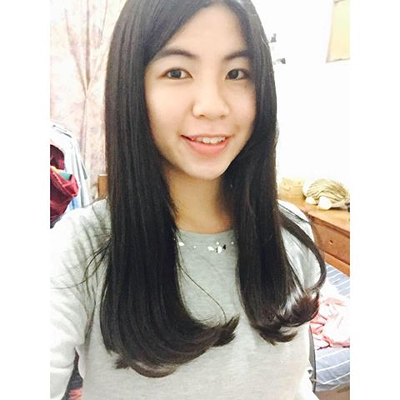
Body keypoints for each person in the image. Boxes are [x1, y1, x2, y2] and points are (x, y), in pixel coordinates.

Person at [50, 0, 326, 399]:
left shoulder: (292, 232)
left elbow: (295, 384)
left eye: (237, 73)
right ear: (133, 86)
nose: (212, 106)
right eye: (177, 72)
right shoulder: (79, 250)